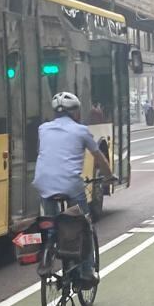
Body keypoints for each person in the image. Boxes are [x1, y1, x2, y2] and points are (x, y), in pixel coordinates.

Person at [32, 92, 113, 288]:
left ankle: (48, 253)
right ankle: (86, 271)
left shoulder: (43, 129)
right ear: (75, 112)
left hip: (43, 182)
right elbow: (99, 157)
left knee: (51, 223)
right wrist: (109, 176)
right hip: (70, 184)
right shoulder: (81, 131)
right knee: (84, 224)